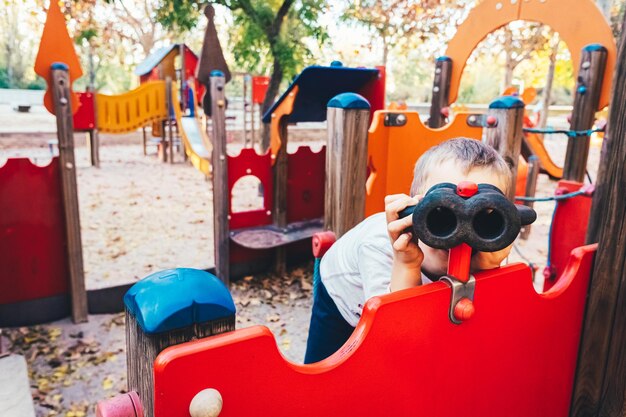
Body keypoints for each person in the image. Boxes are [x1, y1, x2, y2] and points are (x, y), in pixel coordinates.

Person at [304, 138, 513, 364]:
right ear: (414, 207)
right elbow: (395, 333)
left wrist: (488, 269)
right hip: (343, 297)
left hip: (412, 315)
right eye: (442, 211)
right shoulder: (377, 245)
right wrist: (406, 263)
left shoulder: (492, 244)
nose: (462, 229)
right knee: (325, 369)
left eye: (483, 216)